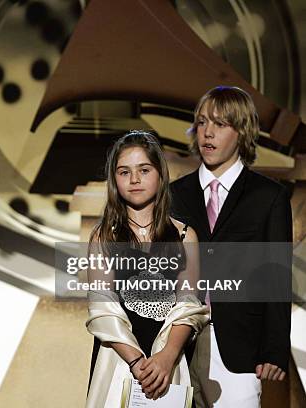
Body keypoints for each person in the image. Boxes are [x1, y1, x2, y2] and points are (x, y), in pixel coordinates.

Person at [171, 86, 292, 407]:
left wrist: (275, 349)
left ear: (242, 132)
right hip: (176, 345)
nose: (207, 133)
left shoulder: (269, 197)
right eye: (201, 122)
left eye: (220, 124)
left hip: (240, 347)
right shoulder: (173, 195)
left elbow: (277, 278)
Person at [86, 131, 209, 407]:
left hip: (168, 362)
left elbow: (189, 305)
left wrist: (167, 357)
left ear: (160, 175)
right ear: (114, 180)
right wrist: (136, 361)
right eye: (124, 171)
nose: (134, 179)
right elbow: (102, 308)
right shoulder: (103, 237)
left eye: (144, 169)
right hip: (119, 358)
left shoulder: (185, 236)